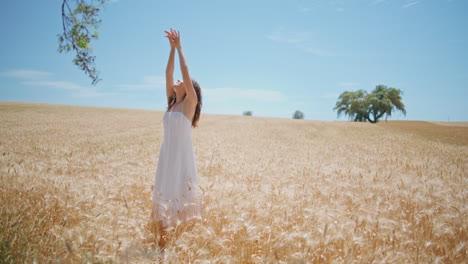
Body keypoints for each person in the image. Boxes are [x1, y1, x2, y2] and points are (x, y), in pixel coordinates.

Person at [152, 29, 202, 229]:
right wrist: (171, 49)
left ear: (191, 89)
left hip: (181, 156)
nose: (178, 81)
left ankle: (181, 236)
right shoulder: (171, 102)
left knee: (180, 196)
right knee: (164, 196)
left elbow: (184, 73)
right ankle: (162, 241)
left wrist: (180, 48)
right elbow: (169, 73)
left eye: (183, 82)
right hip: (167, 155)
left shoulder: (190, 104)